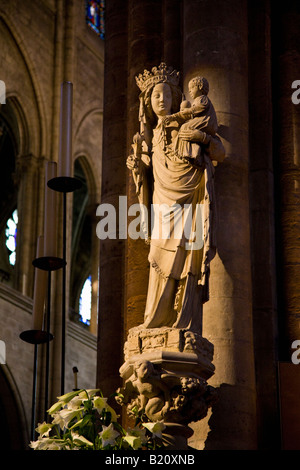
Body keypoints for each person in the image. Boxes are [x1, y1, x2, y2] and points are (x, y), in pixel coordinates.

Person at [127, 63, 225, 332]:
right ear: (148, 103)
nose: (161, 100)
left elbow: (219, 152)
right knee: (158, 258)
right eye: (155, 96)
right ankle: (156, 320)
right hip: (162, 203)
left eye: (166, 95)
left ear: (174, 98)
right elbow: (148, 177)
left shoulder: (185, 122)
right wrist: (138, 169)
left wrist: (199, 136)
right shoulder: (149, 138)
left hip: (189, 198)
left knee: (187, 259)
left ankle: (183, 322)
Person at [163, 76, 218, 165]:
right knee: (185, 127)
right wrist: (173, 116)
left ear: (200, 87)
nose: (189, 91)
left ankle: (189, 153)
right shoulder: (197, 100)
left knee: (185, 127)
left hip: (206, 121)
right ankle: (185, 152)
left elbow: (198, 108)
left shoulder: (202, 99)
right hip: (202, 121)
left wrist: (188, 111)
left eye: (192, 88)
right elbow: (185, 114)